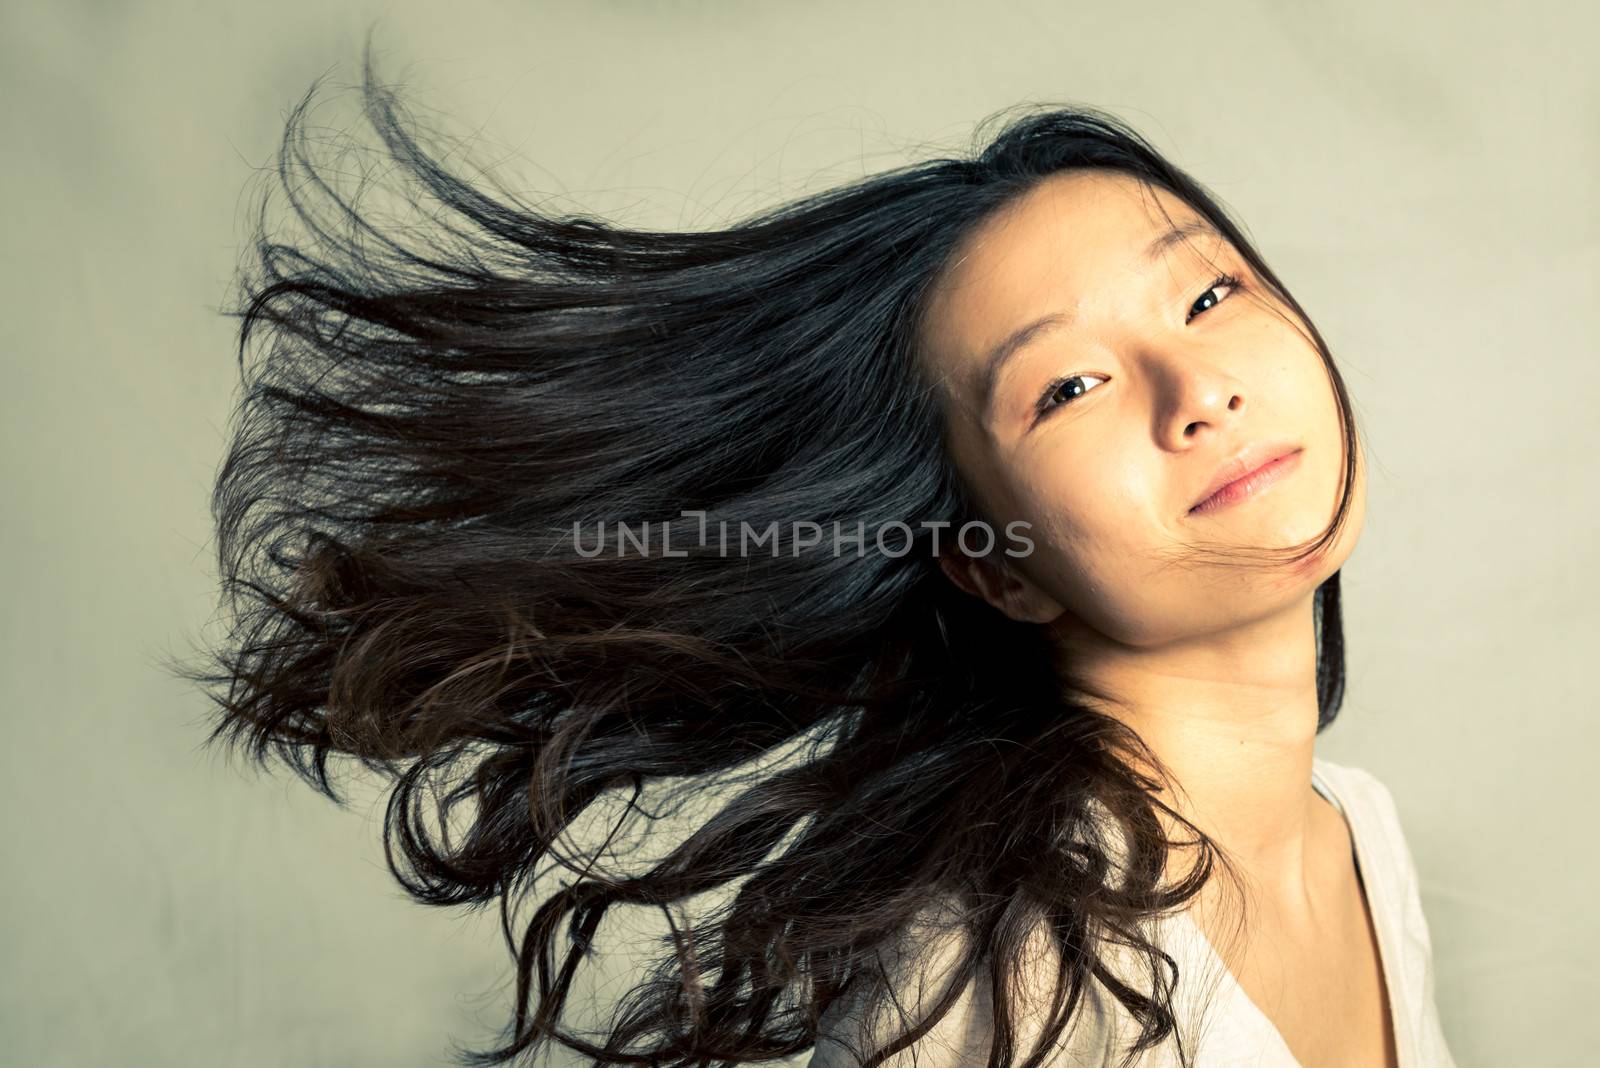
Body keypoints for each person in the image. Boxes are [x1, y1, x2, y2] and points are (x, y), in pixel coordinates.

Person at [176, 48, 1457, 1068]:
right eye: (1068, 386)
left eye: (1209, 295)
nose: (1198, 391)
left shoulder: (1358, 831)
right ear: (992, 565)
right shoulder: (1009, 975)